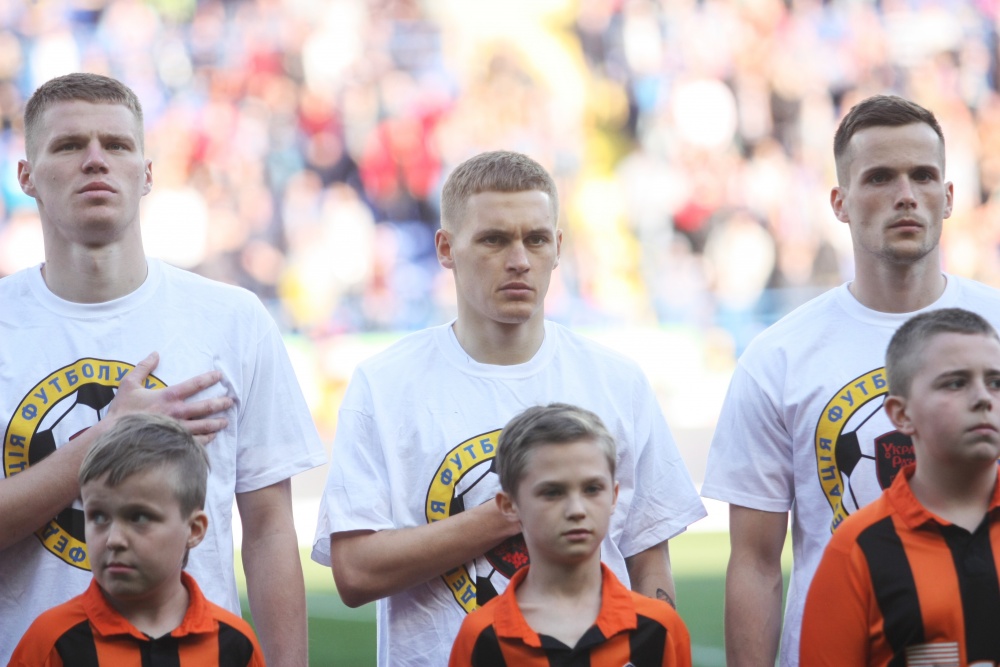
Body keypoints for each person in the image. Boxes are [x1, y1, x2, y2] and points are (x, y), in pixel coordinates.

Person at [311, 150, 706, 666]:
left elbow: (648, 557)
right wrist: (506, 514)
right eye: (494, 240)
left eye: (536, 239)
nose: (519, 259)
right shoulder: (385, 384)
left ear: (558, 247)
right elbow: (355, 573)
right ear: (446, 249)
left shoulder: (617, 381)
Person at [0, 73, 326, 666]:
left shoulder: (233, 318)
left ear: (147, 173)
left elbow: (270, 529)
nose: (95, 160)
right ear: (26, 177)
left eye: (117, 145)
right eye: (69, 146)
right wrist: (108, 438)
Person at [701, 94, 1000, 666]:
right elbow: (756, 563)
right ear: (839, 203)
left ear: (949, 196)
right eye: (880, 178)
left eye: (923, 176)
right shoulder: (778, 357)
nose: (905, 195)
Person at [800, 308, 1000, 665]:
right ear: (901, 415)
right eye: (956, 383)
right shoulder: (857, 549)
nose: (984, 398)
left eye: (996, 382)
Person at [9, 413, 266, 666]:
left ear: (194, 529)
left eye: (139, 517)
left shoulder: (234, 644)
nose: (114, 540)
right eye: (98, 517)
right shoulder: (51, 641)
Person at [448, 403, 692, 667]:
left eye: (592, 489)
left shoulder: (657, 627)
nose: (576, 510)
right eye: (552, 492)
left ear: (614, 497)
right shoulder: (481, 636)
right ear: (509, 506)